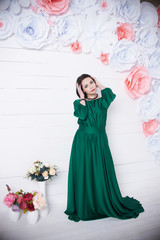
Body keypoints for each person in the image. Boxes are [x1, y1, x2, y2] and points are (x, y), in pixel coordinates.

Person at [64, 74, 144, 222]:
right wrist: (82, 97)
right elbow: (82, 115)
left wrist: (99, 83)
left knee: (100, 170)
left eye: (91, 82)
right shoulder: (79, 103)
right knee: (84, 170)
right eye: (86, 86)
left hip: (100, 140)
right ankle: (85, 205)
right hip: (82, 141)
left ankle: (103, 201)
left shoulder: (102, 102)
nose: (91, 86)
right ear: (82, 90)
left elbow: (110, 94)